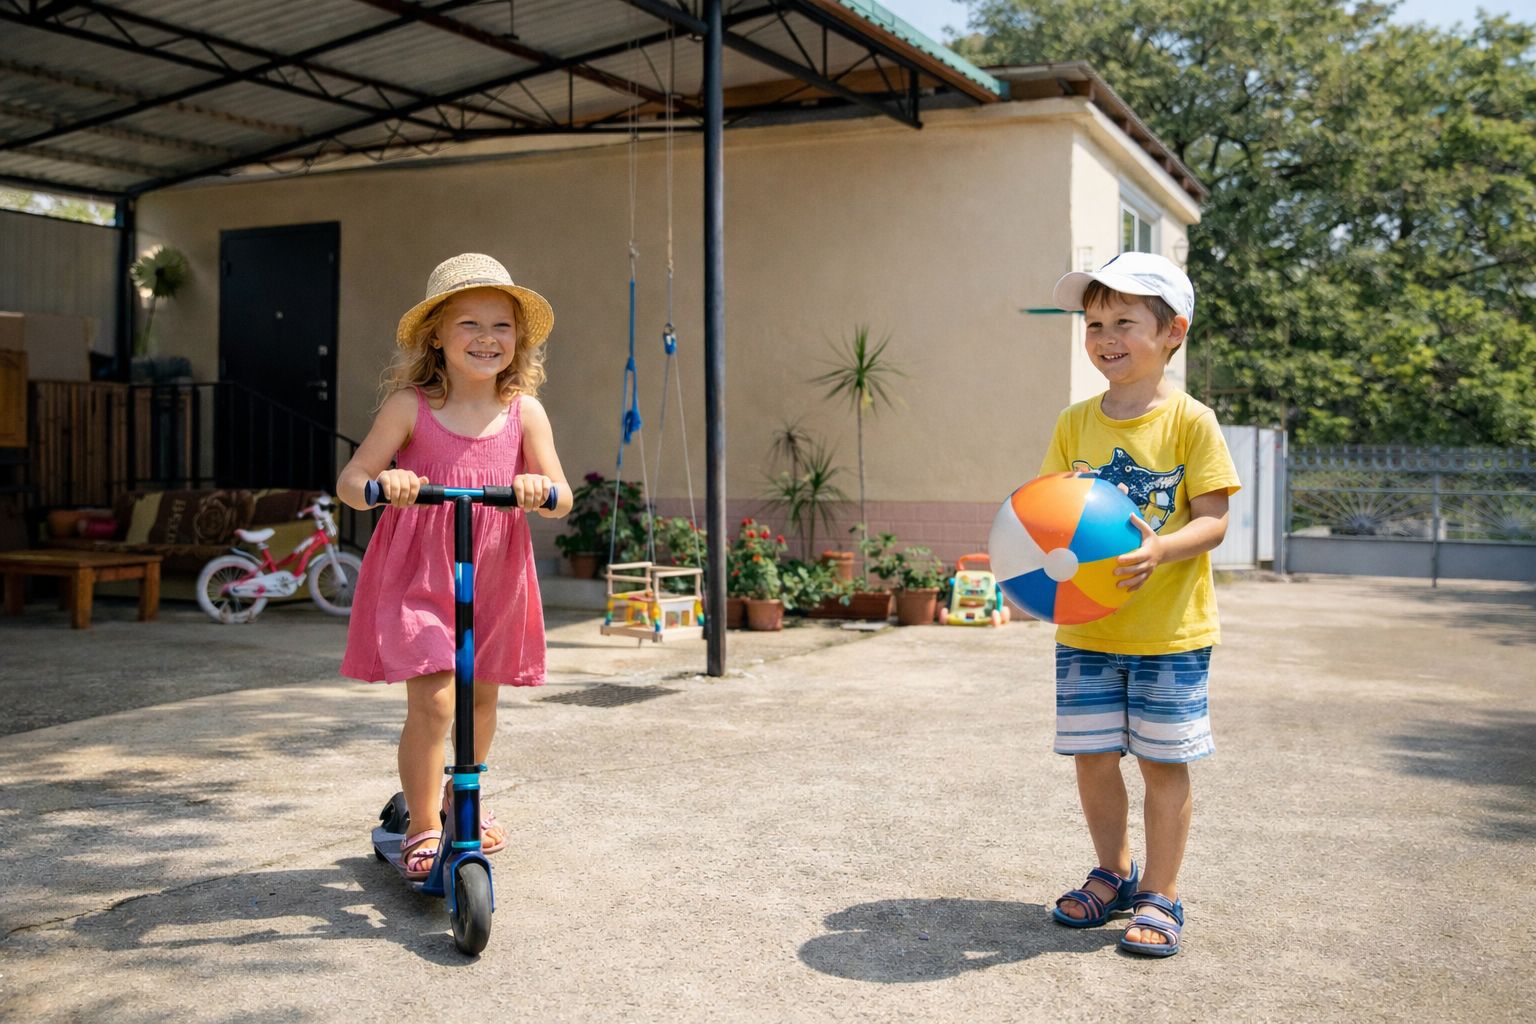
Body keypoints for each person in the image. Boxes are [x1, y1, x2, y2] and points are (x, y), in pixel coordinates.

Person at [337, 253, 571, 881]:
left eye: (501, 326)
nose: (486, 338)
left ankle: (458, 797)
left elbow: (562, 494)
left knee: (483, 698)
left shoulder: (525, 413)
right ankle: (423, 826)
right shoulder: (409, 407)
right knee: (438, 704)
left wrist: (536, 489)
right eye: (469, 323)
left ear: (518, 339)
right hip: (422, 571)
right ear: (437, 334)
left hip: (494, 570)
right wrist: (385, 482)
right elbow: (350, 481)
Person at [1041, 251, 1239, 958]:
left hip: (1170, 634)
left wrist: (1162, 549)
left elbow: (1213, 519)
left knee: (1162, 764)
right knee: (1093, 758)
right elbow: (1050, 516)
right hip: (1087, 631)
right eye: (1093, 322)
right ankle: (1113, 873)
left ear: (1172, 331)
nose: (1104, 336)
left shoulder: (1192, 422)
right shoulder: (1073, 424)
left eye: (1124, 320)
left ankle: (1161, 893)